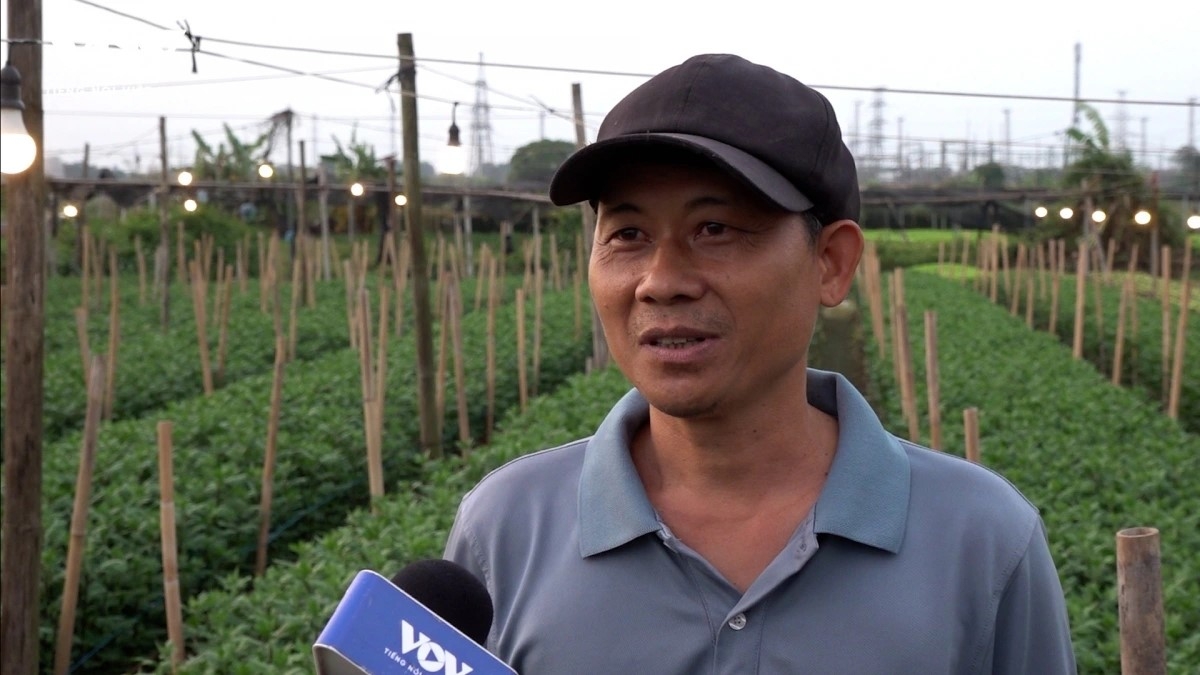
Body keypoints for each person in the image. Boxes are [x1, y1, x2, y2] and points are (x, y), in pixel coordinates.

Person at [444, 54, 1076, 673]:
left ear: (831, 263)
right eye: (628, 235)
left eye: (715, 228)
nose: (660, 282)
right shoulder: (505, 529)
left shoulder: (982, 539)